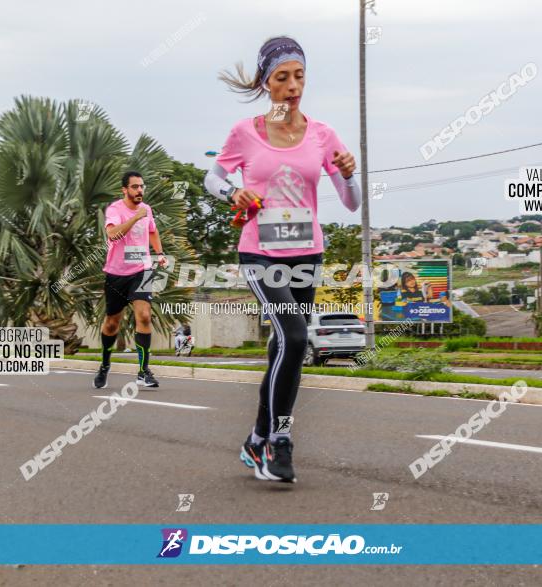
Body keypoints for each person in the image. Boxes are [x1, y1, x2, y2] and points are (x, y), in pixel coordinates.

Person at [204, 36, 361, 483]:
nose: (293, 86)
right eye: (282, 78)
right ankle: (280, 438)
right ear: (266, 84)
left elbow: (352, 203)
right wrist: (235, 191)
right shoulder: (246, 132)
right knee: (294, 335)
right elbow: (210, 176)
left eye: (300, 76)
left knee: (282, 346)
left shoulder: (322, 134)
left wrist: (350, 175)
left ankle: (256, 439)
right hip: (260, 251)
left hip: (307, 251)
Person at [93, 171, 168, 390]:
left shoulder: (148, 210)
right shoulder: (115, 209)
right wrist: (135, 217)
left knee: (144, 316)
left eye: (142, 186)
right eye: (135, 187)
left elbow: (152, 231)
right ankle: (105, 364)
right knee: (111, 323)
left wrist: (160, 252)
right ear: (124, 190)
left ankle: (143, 371)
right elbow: (112, 234)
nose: (139, 190)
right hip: (116, 274)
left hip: (141, 270)